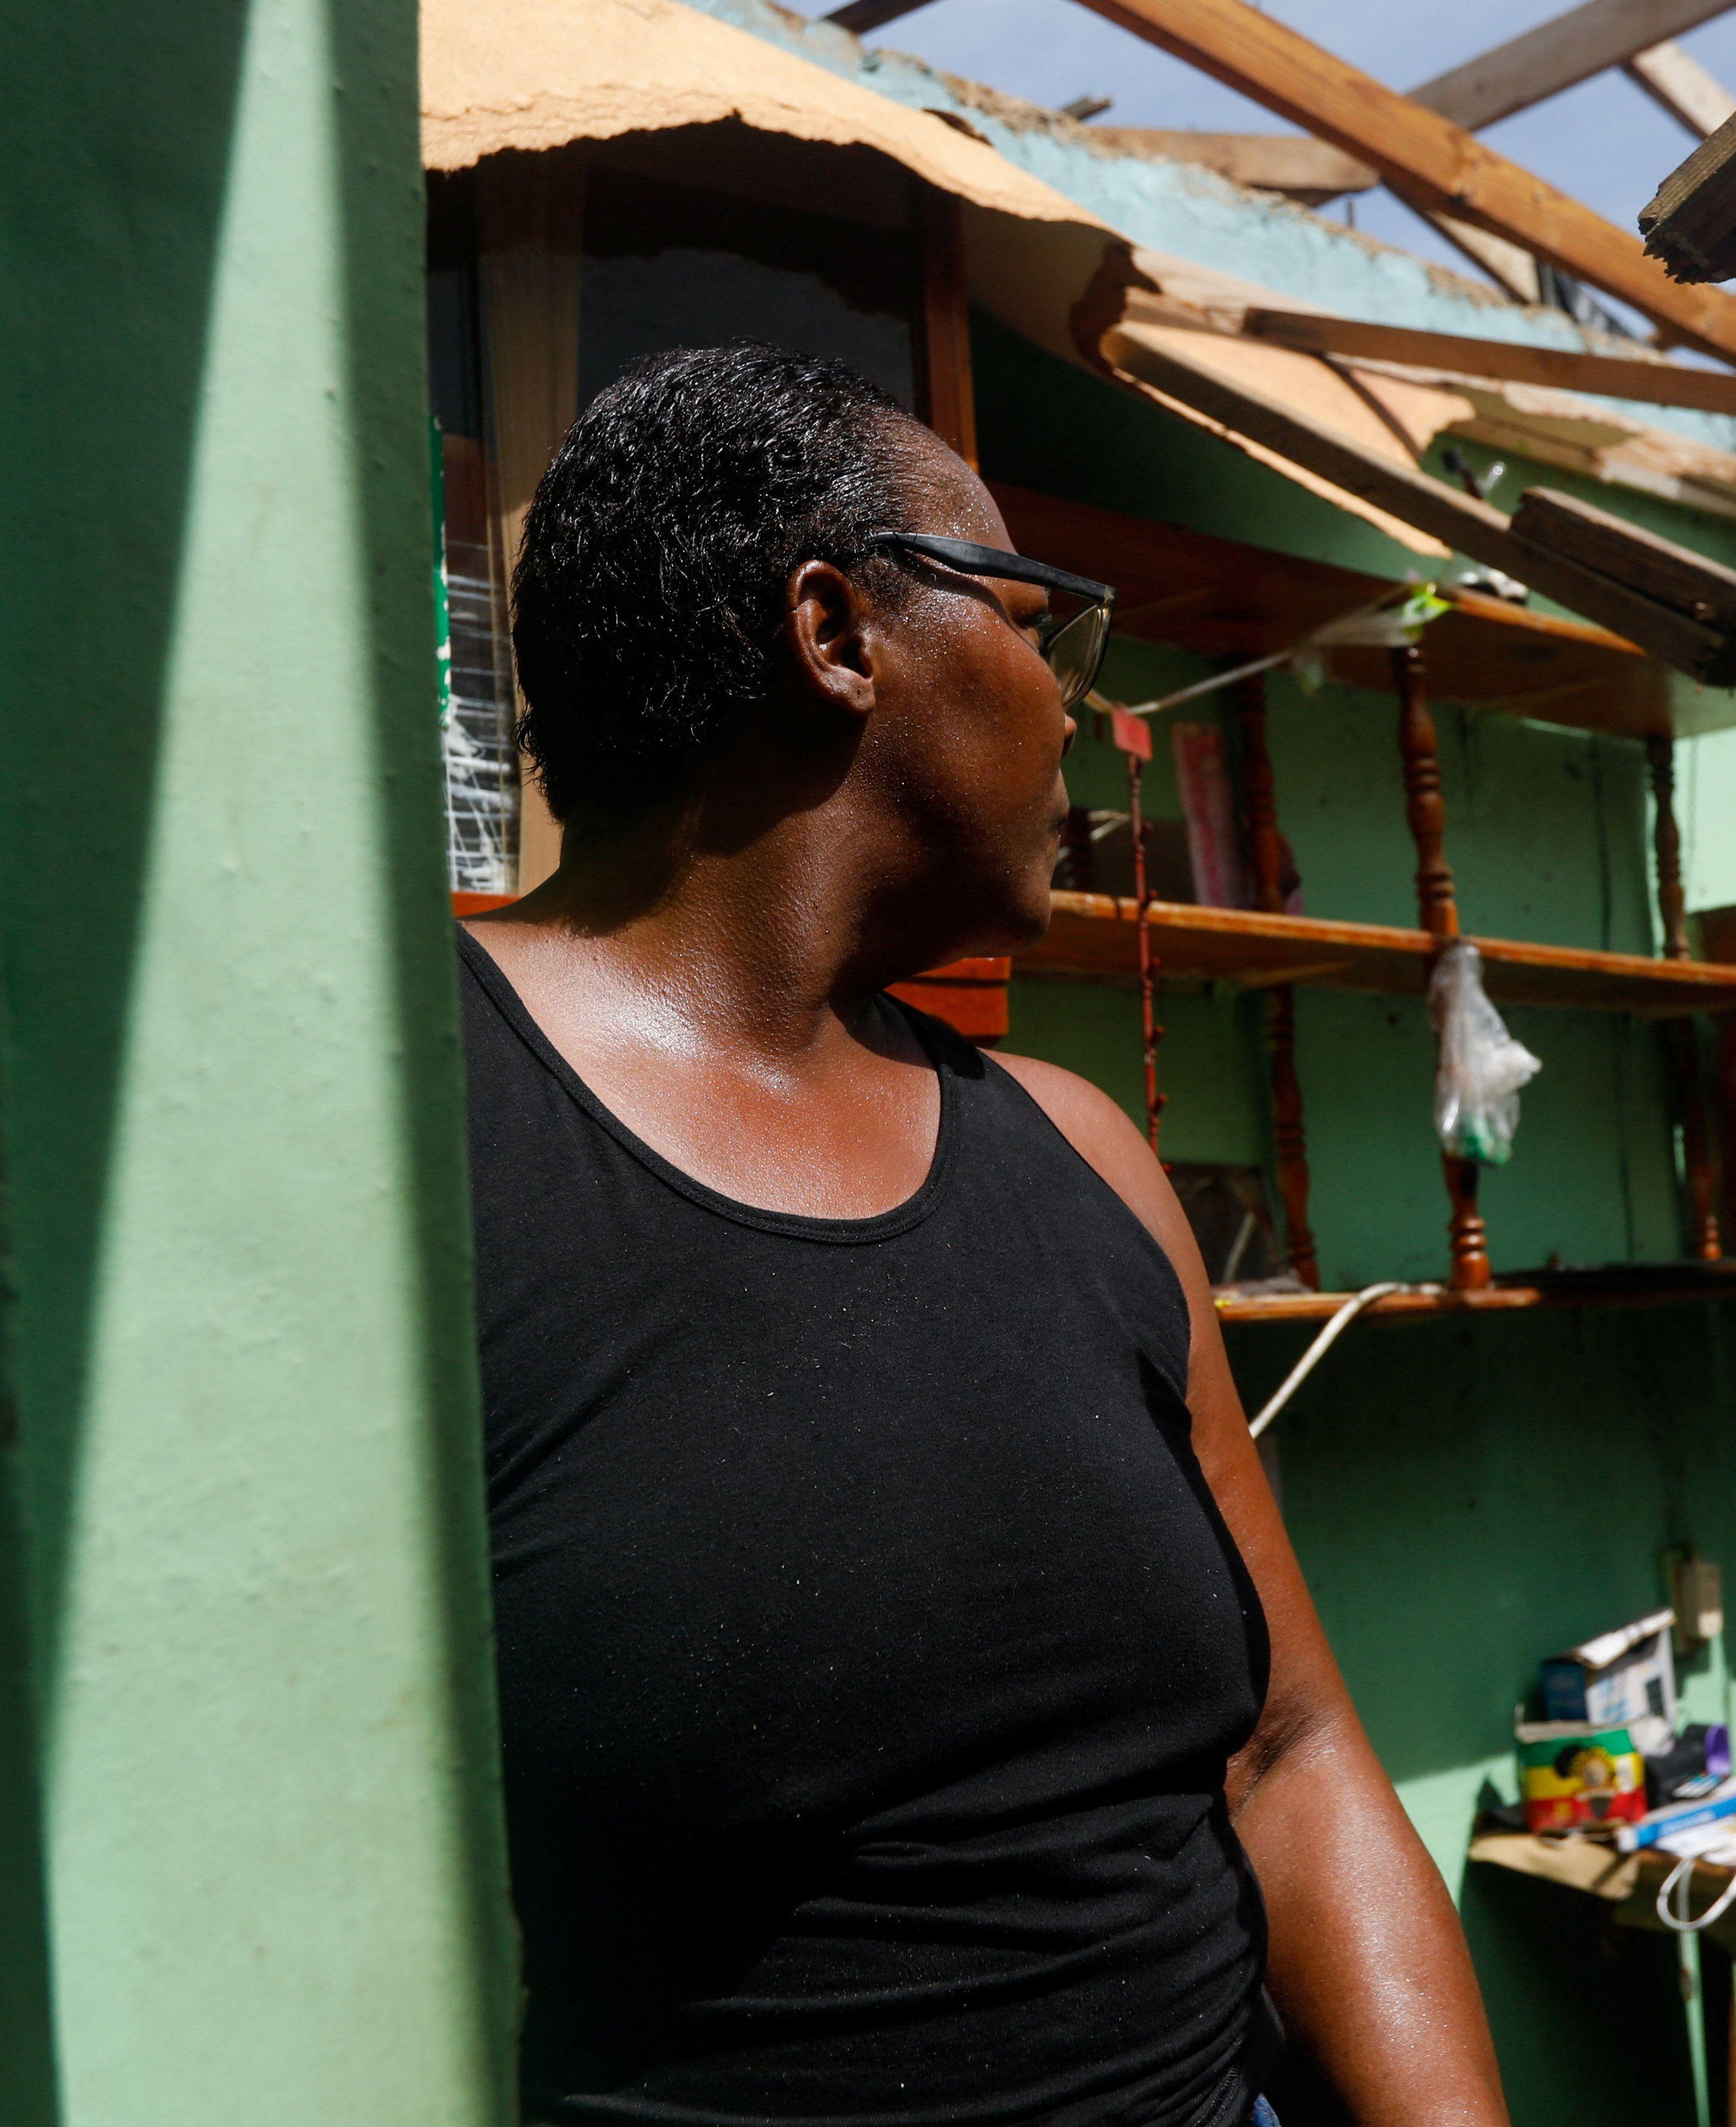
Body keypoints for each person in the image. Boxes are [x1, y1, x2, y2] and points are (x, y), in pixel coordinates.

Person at [457, 341, 1510, 2127]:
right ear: (836, 630)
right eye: (1044, 619)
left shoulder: (1082, 1156)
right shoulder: (418, 1137)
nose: (1086, 712)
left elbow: (1294, 1752)